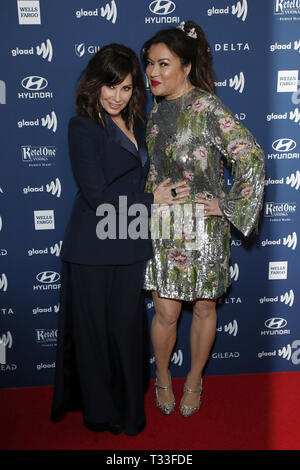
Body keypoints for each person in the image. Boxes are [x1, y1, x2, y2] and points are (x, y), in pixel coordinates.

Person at [50, 43, 190, 436]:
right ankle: (101, 414)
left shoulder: (141, 124)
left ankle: (129, 411)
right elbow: (95, 194)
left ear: (135, 91)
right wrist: (152, 198)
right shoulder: (83, 126)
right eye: (110, 86)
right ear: (95, 84)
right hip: (92, 246)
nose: (116, 96)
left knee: (126, 330)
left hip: (129, 239)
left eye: (126, 88)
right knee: (96, 334)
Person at [141, 21, 265, 418]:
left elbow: (251, 155)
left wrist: (228, 205)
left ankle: (194, 379)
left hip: (205, 229)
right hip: (163, 225)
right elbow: (151, 174)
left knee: (206, 309)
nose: (153, 73)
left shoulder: (208, 107)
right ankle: (162, 376)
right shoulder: (155, 115)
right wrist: (146, 202)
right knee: (166, 312)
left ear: (187, 66)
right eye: (149, 64)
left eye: (163, 64)